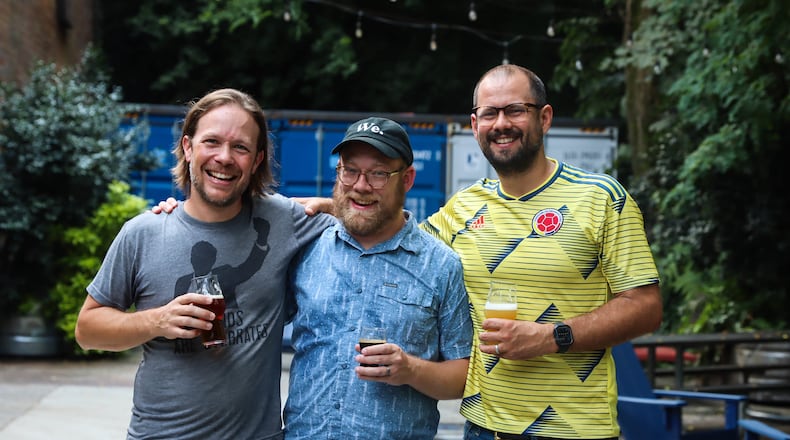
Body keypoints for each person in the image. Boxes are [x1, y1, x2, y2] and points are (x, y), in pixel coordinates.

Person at [300, 65, 662, 440]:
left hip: (574, 428)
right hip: (483, 428)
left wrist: (552, 337)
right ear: (475, 125)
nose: (501, 123)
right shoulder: (465, 208)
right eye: (490, 113)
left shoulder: (601, 198)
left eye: (515, 110)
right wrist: (342, 203)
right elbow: (397, 235)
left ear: (545, 117)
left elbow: (646, 307)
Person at [74, 88, 335, 440]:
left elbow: (372, 218)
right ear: (188, 147)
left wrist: (329, 205)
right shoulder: (144, 233)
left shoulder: (281, 219)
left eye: (240, 147)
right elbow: (87, 330)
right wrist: (157, 320)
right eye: (211, 141)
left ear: (257, 160)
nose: (224, 157)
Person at [282, 117, 473, 440]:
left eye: (379, 174)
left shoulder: (441, 265)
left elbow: (464, 375)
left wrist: (411, 370)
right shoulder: (306, 244)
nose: (361, 185)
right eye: (350, 170)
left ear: (408, 179)